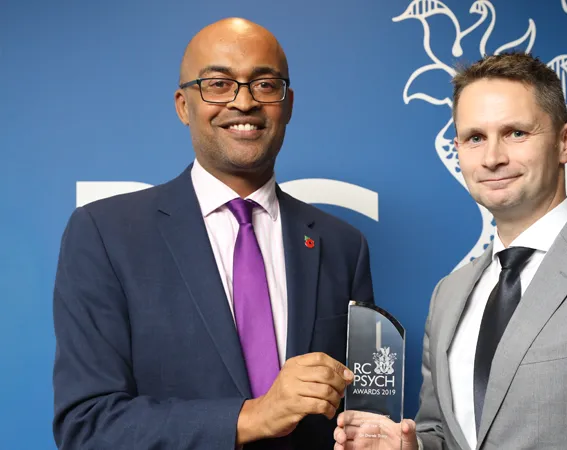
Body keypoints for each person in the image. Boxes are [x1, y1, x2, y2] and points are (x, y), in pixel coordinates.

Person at [335, 52, 567, 449]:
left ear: (565, 140)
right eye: (475, 138)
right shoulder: (449, 294)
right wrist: (411, 446)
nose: (493, 158)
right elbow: (443, 433)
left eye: (516, 133)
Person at [52, 17, 374, 450]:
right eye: (218, 84)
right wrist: (252, 417)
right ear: (184, 105)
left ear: (288, 104)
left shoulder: (343, 245)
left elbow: (366, 409)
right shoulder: (105, 235)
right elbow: (86, 425)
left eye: (264, 84)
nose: (244, 102)